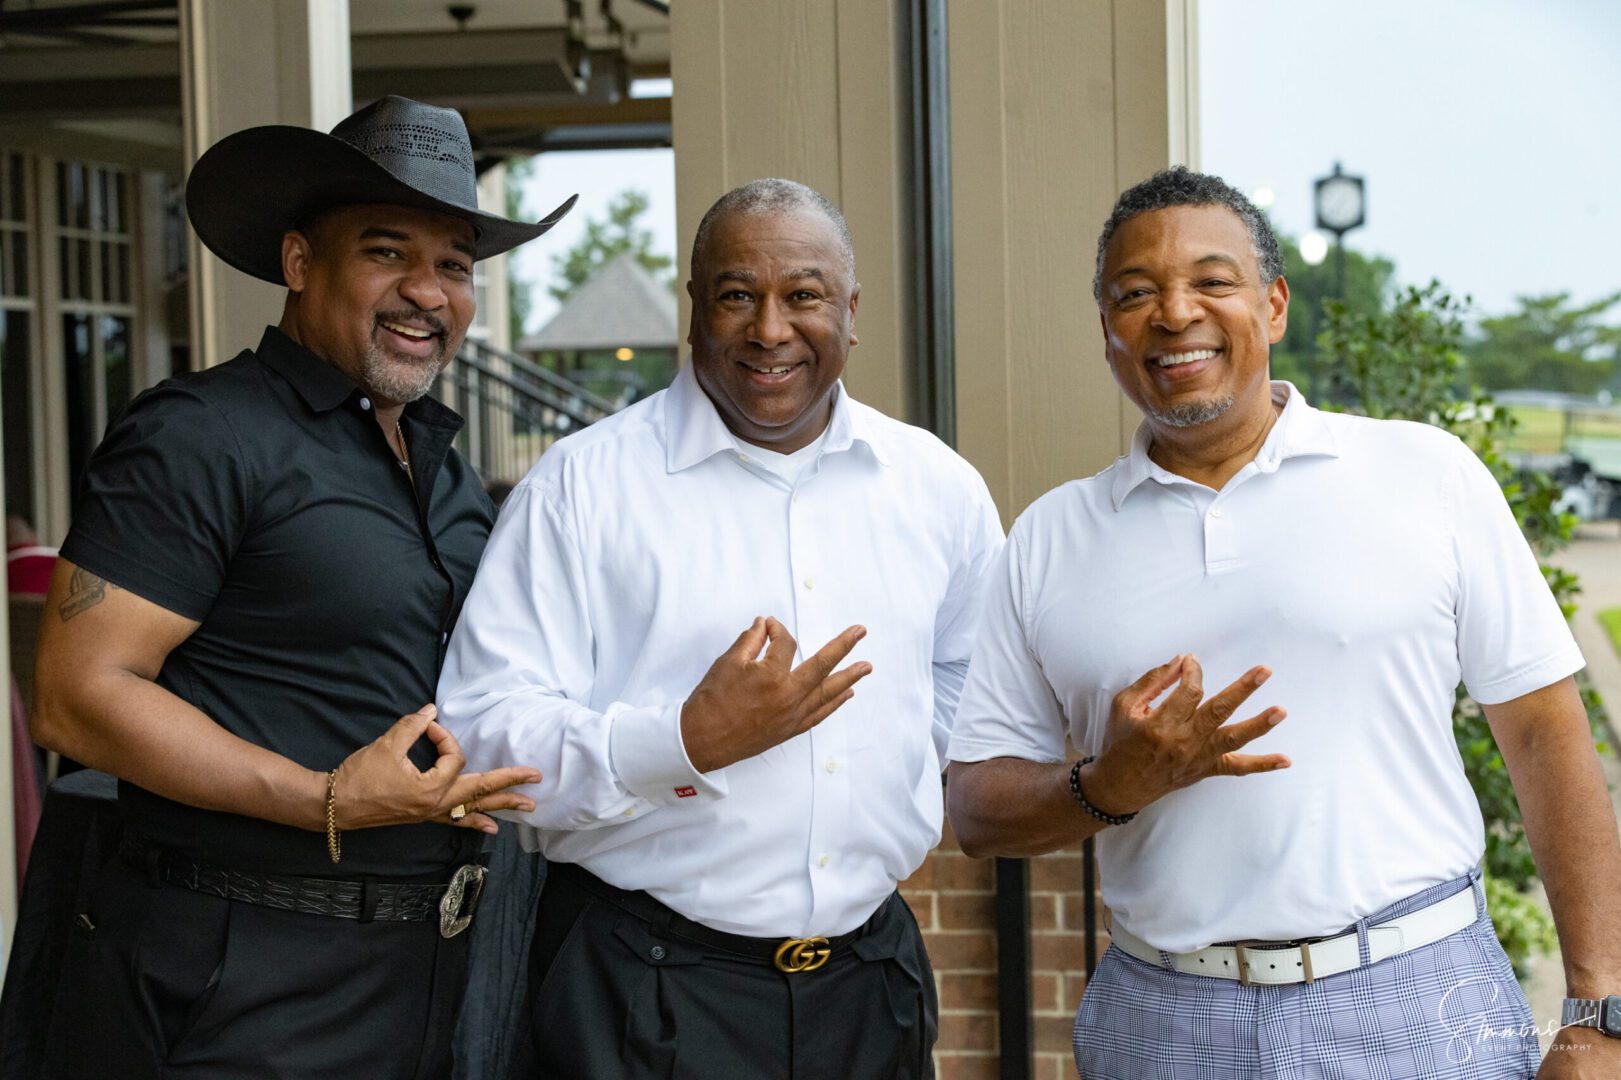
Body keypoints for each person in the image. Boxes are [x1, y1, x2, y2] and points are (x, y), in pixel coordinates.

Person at [944, 167, 1621, 1079]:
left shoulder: (1424, 474)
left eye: (1210, 282)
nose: (1173, 312)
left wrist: (1599, 1011)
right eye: (1133, 294)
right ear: (1107, 333)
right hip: (1162, 1017)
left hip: (1415, 995)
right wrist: (1109, 782)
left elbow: (1542, 733)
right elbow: (977, 811)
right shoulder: (1049, 539)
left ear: (1273, 306)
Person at [29, 95, 573, 1080]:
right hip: (236, 980)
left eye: (454, 264)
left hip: (424, 980)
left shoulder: (443, 470)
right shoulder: (200, 436)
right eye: (385, 251)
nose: (426, 290)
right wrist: (325, 798)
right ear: (297, 263)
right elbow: (78, 695)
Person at [437, 178, 1004, 1079]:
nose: (770, 329)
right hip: (644, 989)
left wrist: (887, 768)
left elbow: (970, 686)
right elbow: (479, 734)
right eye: (737, 295)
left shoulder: (937, 489)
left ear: (851, 313)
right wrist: (682, 742)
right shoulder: (581, 489)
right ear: (695, 311)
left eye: (803, 296)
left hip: (868, 986)